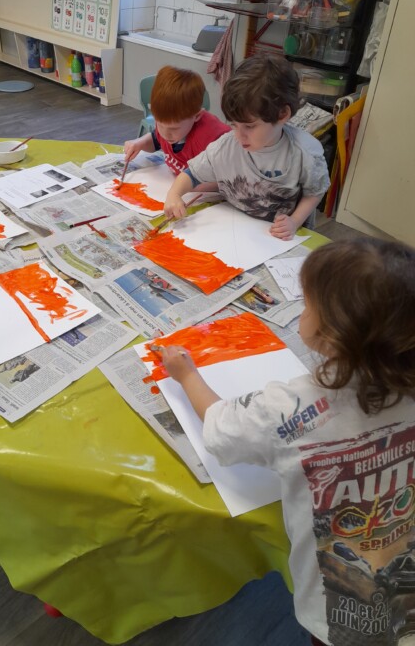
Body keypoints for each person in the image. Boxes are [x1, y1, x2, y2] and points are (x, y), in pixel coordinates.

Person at [156, 238, 415, 646]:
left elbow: (221, 428)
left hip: (340, 613)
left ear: (333, 335)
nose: (301, 312)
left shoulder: (292, 407)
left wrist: (186, 375)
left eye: (307, 306)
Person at [163, 54, 330, 240]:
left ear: (282, 114)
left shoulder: (305, 153)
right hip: (236, 232)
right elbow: (192, 174)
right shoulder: (226, 146)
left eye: (249, 126)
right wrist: (174, 194)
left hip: (280, 238)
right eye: (234, 125)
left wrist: (295, 221)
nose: (239, 136)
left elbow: (315, 192)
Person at [123, 66, 231, 175]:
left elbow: (225, 177)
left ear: (197, 116)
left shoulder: (213, 141)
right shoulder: (170, 128)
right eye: (160, 124)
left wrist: (188, 183)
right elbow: (156, 140)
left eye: (173, 129)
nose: (165, 134)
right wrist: (139, 143)